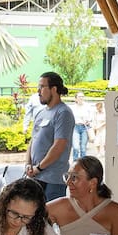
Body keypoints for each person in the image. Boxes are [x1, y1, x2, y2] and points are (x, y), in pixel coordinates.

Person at [44, 156, 118, 235]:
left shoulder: (114, 211)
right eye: (67, 176)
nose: (68, 182)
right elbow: (31, 216)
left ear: (92, 183)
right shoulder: (60, 206)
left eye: (74, 178)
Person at [26, 72, 74, 201]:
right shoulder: (41, 113)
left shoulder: (63, 113)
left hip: (53, 179)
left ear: (54, 89)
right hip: (36, 176)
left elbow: (59, 145)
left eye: (42, 87)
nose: (38, 91)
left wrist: (39, 167)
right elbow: (33, 141)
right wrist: (28, 165)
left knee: (50, 216)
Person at [71, 91, 94, 160]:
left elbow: (92, 116)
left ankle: (83, 164)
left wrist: (89, 120)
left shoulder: (87, 106)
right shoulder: (72, 107)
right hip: (75, 127)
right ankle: (75, 163)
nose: (81, 98)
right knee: (75, 147)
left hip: (85, 127)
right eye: (79, 96)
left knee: (83, 148)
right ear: (76, 98)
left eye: (82, 96)